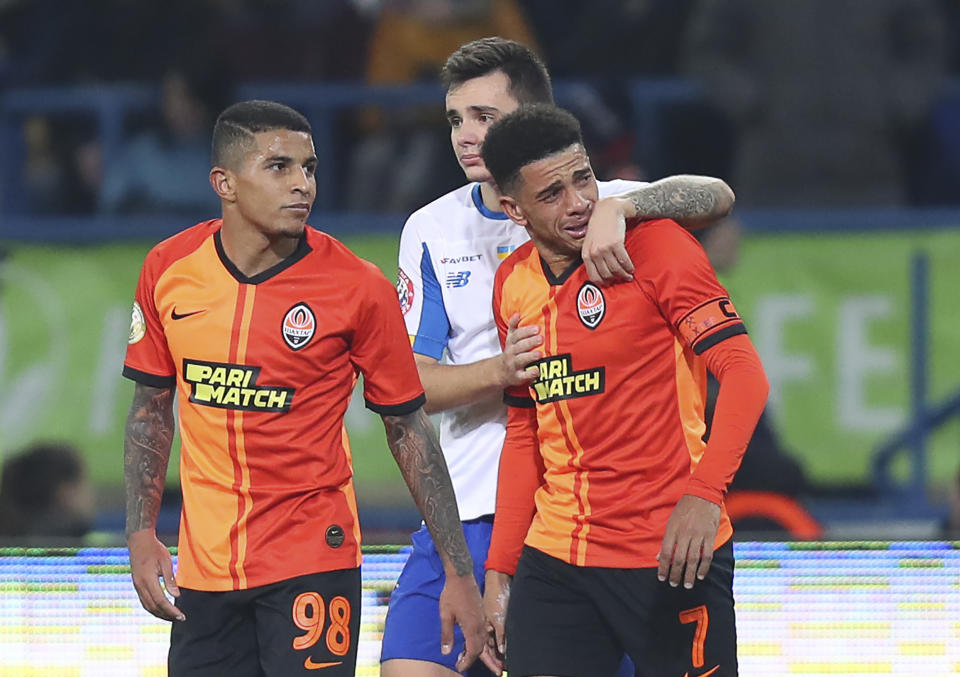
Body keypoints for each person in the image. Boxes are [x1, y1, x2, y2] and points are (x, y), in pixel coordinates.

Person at [381, 37, 737, 677]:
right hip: (471, 504)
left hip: (592, 514)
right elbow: (410, 386)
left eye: (484, 118)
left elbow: (715, 195)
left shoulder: (594, 200)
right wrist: (502, 370)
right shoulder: (430, 229)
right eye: (455, 119)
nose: (465, 136)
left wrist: (626, 207)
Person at [121, 99, 492, 676]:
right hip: (204, 571)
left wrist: (459, 573)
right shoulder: (168, 268)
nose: (303, 185)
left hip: (313, 558)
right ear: (225, 182)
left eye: (310, 168)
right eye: (279, 167)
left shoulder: (357, 286)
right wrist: (141, 534)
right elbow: (149, 411)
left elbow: (409, 432)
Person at [480, 104, 769, 677]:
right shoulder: (512, 284)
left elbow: (744, 373)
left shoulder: (656, 247)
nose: (579, 203)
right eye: (552, 194)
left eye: (582, 178)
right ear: (513, 209)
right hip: (557, 560)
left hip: (672, 550)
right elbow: (524, 430)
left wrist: (704, 495)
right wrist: (500, 571)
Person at [0, 441, 95, 540]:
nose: (91, 492)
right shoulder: (75, 540)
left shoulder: (13, 535)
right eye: (83, 482)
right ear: (65, 492)